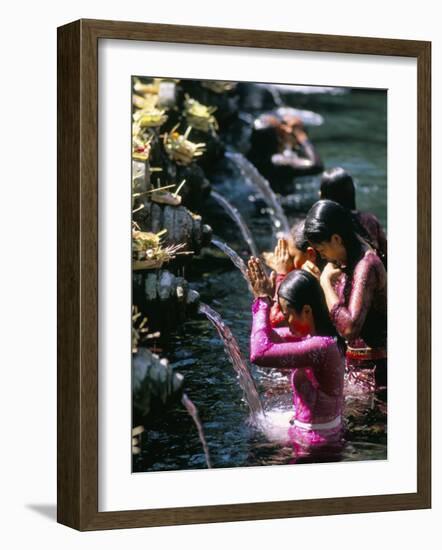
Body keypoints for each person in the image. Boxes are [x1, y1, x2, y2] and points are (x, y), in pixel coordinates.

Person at [247, 257, 345, 461]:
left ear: (307, 311)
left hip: (315, 445)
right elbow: (268, 337)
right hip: (311, 436)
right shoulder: (316, 337)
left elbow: (260, 353)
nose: (283, 318)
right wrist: (263, 299)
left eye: (287, 313)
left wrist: (263, 302)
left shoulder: (321, 346)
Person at [304, 200, 387, 388]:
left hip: (376, 379)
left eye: (322, 250)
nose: (322, 256)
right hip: (358, 372)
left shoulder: (366, 266)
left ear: (336, 239)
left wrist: (325, 283)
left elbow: (349, 329)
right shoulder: (349, 259)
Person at [319, 167, 387, 266]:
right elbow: (385, 248)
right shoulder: (370, 219)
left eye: (321, 190)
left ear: (325, 196)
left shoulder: (329, 227)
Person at [264, 222, 321, 327]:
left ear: (311, 254)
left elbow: (275, 320)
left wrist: (282, 275)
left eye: (292, 257)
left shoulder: (314, 284)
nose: (287, 262)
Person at [248, 114, 323, 192]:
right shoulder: (277, 162)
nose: (286, 131)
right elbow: (316, 166)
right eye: (281, 133)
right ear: (277, 139)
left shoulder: (253, 157)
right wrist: (301, 136)